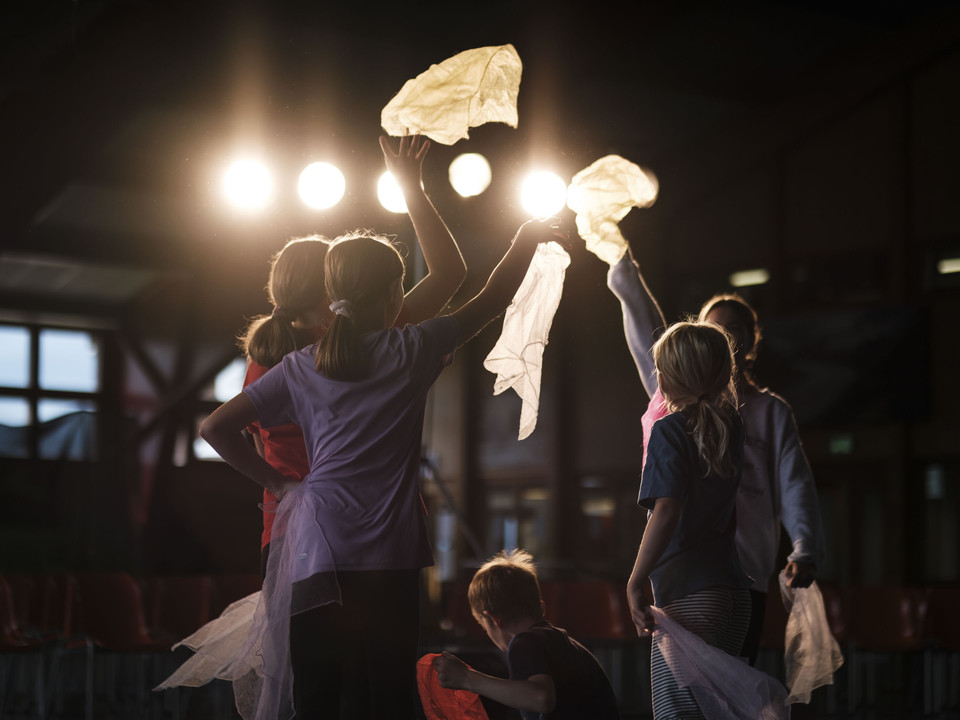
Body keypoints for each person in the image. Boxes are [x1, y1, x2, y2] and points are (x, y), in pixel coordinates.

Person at [200, 218, 568, 720]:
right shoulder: (411, 348)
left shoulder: (301, 366)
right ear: (394, 296)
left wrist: (281, 485)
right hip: (389, 546)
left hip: (317, 543)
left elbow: (215, 428)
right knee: (388, 696)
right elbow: (493, 296)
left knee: (316, 697)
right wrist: (525, 236)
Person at [241, 134, 467, 579]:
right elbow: (450, 273)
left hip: (286, 529)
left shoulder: (263, 359)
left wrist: (279, 487)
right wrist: (411, 189)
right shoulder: (372, 339)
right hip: (371, 528)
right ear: (333, 288)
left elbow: (248, 445)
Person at [608, 248, 825, 663]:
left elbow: (794, 481)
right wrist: (623, 268)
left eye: (733, 329)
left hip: (730, 571)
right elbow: (647, 335)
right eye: (715, 329)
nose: (725, 336)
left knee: (688, 699)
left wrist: (804, 547)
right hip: (717, 577)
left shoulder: (763, 412)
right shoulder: (705, 417)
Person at [626, 321, 754, 720]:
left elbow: (666, 509)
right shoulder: (730, 427)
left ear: (671, 377)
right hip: (732, 596)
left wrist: (634, 581)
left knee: (676, 715)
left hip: (689, 596)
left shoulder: (669, 431)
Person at [433, 549, 620, 720]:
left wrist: (467, 678)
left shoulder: (524, 643)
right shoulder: (560, 643)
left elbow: (541, 698)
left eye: (483, 626)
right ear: (540, 606)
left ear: (493, 619)